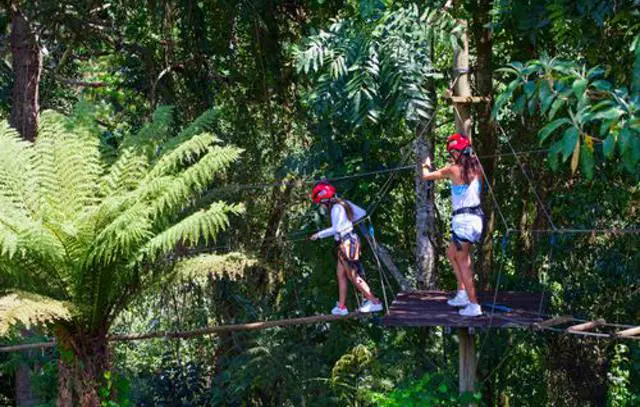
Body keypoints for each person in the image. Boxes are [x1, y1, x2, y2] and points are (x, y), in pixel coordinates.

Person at [421, 133, 484, 317]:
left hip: (464, 221)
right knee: (451, 253)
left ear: (457, 152)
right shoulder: (478, 167)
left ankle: (474, 305)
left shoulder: (453, 170)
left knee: (463, 262)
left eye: (452, 152)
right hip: (475, 220)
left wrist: (425, 164)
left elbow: (427, 176)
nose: (451, 155)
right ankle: (463, 293)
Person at [309, 181, 384, 316]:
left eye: (321, 203)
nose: (321, 207)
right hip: (345, 242)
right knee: (341, 275)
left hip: (347, 242)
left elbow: (337, 228)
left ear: (325, 200)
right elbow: (361, 213)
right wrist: (349, 223)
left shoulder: (336, 208)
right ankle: (342, 307)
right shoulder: (343, 203)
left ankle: (374, 302)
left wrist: (318, 235)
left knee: (352, 275)